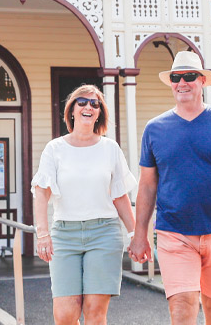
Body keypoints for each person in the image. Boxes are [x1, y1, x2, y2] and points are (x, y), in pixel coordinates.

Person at [128, 51, 211, 325]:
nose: (182, 83)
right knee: (183, 306)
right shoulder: (155, 129)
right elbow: (146, 186)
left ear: (202, 81)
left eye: (189, 76)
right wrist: (139, 233)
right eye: (176, 78)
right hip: (174, 233)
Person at [31, 84, 137, 325]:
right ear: (72, 110)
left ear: (99, 112)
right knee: (65, 314)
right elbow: (41, 193)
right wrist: (42, 234)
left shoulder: (110, 149)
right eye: (82, 102)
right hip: (64, 236)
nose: (88, 106)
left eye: (94, 103)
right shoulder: (54, 149)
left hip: (104, 233)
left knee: (95, 312)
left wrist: (133, 233)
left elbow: (119, 196)